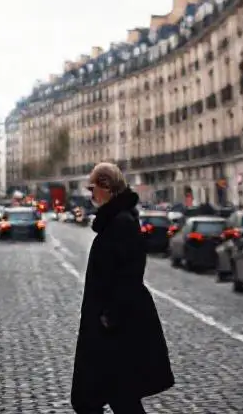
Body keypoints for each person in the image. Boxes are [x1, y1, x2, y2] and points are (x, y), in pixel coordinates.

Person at [71, 162, 174, 414]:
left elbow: (129, 274)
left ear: (106, 187)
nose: (90, 194)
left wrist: (110, 316)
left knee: (108, 397)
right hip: (110, 321)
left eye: (92, 187)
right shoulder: (116, 221)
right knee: (114, 396)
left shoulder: (121, 223)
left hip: (115, 325)